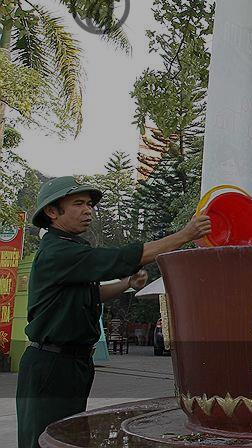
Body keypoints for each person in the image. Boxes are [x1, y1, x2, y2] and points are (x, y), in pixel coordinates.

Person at [16, 176, 211, 448]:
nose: (88, 210)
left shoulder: (72, 249)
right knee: (45, 439)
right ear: (52, 211)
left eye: (89, 204)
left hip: (73, 364)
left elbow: (91, 295)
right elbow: (119, 258)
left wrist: (127, 283)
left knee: (67, 436)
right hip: (51, 364)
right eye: (78, 204)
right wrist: (185, 235)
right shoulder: (57, 252)